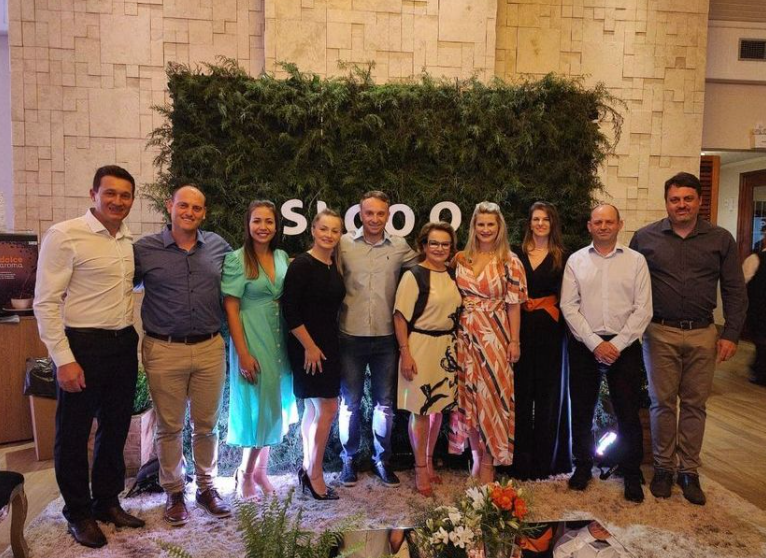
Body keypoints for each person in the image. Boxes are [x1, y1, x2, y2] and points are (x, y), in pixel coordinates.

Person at [34, 165, 144, 548]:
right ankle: (78, 513)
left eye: (125, 195)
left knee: (115, 428)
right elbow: (45, 303)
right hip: (82, 345)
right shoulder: (65, 235)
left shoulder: (127, 240)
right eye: (110, 193)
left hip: (123, 344)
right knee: (73, 433)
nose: (117, 201)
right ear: (93, 194)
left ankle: (107, 502)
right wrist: (63, 359)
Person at [630, 172, 748, 505]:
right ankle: (663, 468)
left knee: (695, 405)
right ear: (666, 202)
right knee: (662, 403)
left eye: (687, 199)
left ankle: (689, 471)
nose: (681, 205)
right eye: (675, 199)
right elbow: (630, 285)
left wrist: (731, 334)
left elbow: (735, 289)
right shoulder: (645, 238)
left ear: (699, 201)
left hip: (703, 334)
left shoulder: (720, 239)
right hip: (659, 332)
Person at [133, 184, 233, 526]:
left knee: (206, 425)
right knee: (169, 427)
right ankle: (174, 492)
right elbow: (118, 285)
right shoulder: (144, 249)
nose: (189, 212)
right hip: (163, 349)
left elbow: (239, 285)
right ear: (169, 206)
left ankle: (206, 487)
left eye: (196, 207)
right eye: (183, 205)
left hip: (209, 348)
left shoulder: (218, 246)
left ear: (204, 213)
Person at [560, 204, 651, 503]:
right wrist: (595, 343)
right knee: (581, 409)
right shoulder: (576, 260)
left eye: (609, 222)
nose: (603, 227)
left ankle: (631, 473)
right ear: (589, 226)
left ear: (619, 224)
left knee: (628, 411)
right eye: (598, 222)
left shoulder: (636, 261)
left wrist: (617, 343)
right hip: (585, 344)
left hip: (624, 345)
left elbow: (643, 309)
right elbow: (568, 306)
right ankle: (582, 466)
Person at [337, 191, 418, 487]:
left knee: (384, 405)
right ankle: (348, 460)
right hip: (350, 336)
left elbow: (427, 265)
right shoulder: (343, 244)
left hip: (386, 338)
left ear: (388, 215)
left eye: (380, 213)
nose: (374, 218)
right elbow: (318, 260)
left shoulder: (400, 247)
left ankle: (382, 461)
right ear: (360, 214)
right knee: (350, 404)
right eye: (369, 213)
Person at [222, 200, 298, 498]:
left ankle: (260, 472)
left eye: (269, 221)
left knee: (273, 404)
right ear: (248, 224)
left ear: (276, 227)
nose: (263, 227)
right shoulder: (236, 259)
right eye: (257, 221)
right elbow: (231, 309)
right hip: (252, 336)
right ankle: (244, 473)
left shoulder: (281, 256)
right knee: (258, 404)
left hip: (278, 335)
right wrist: (243, 353)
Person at [448, 201, 527, 483]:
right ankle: (475, 456)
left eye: (490, 224)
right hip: (465, 336)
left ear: (499, 227)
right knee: (468, 398)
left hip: (495, 335)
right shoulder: (461, 258)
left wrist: (514, 342)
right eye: (480, 224)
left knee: (492, 399)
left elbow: (514, 305)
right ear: (473, 226)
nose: (485, 229)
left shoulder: (510, 261)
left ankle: (489, 462)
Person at [393, 222, 461, 496]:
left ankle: (430, 461)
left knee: (438, 410)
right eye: (434, 243)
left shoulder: (453, 274)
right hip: (419, 346)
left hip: (446, 347)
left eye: (445, 244)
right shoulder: (414, 276)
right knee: (420, 411)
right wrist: (405, 353)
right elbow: (400, 317)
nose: (439, 248)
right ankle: (420, 468)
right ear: (423, 245)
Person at [282, 209, 346, 500]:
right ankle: (315, 474)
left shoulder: (333, 264)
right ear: (313, 230)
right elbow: (290, 310)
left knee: (314, 408)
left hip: (328, 343)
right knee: (328, 408)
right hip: (308, 346)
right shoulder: (302, 265)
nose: (329, 235)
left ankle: (308, 467)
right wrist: (309, 346)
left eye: (335, 230)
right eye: (324, 229)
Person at [512, 201, 572, 480]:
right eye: (536, 219)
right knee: (520, 395)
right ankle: (519, 461)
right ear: (529, 223)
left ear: (552, 223)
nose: (540, 224)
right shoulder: (516, 254)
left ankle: (546, 461)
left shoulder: (564, 257)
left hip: (551, 330)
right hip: (519, 329)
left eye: (545, 219)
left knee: (549, 396)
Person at [743, 238, 766, 386]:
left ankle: (760, 372)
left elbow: (741, 282)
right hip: (760, 310)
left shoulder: (755, 259)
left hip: (759, 309)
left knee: (761, 342)